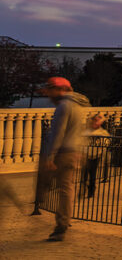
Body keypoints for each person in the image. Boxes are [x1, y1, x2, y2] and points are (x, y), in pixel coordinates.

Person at [36, 77, 90, 241]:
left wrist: (50, 156)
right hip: (74, 151)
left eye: (50, 90)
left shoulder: (63, 106)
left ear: (60, 90)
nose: (48, 95)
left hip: (63, 153)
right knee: (67, 189)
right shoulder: (78, 106)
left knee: (61, 188)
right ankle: (63, 222)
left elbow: (57, 133)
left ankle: (59, 223)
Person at [81, 114, 110, 198]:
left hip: (96, 155)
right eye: (94, 121)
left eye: (97, 121)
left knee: (92, 175)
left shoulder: (102, 132)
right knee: (84, 175)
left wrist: (102, 145)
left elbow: (107, 142)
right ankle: (83, 190)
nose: (94, 123)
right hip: (86, 155)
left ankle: (91, 191)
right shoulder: (86, 132)